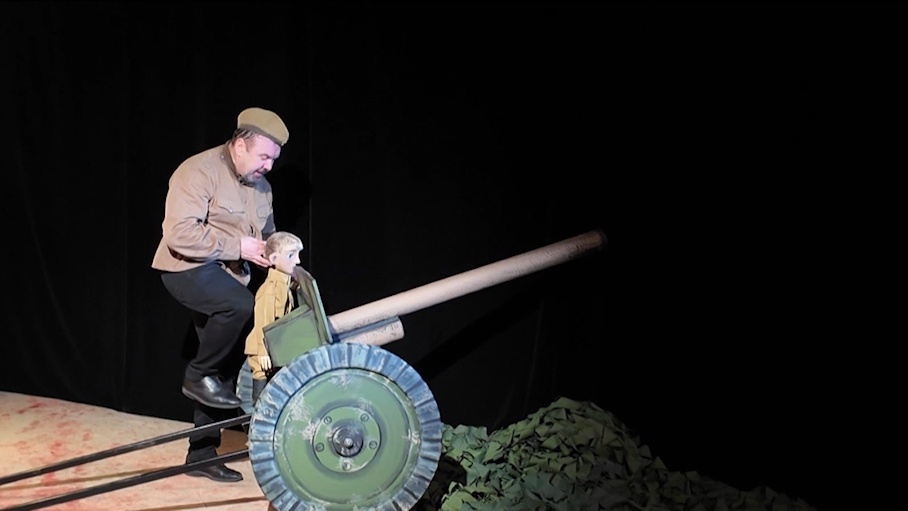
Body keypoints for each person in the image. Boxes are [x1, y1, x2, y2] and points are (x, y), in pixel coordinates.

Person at [151, 107, 290, 483]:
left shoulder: (262, 187)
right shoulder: (198, 171)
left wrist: (280, 254)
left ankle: (201, 455)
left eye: (273, 160)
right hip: (184, 268)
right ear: (240, 145)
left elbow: (267, 235)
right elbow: (179, 234)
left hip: (226, 276)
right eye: (264, 157)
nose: (268, 166)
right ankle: (197, 374)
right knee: (238, 306)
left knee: (224, 364)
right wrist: (238, 247)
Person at [244, 231, 304, 405]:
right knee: (261, 395)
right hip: (262, 350)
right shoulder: (270, 291)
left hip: (276, 345)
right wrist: (263, 353)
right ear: (274, 259)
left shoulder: (284, 284)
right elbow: (263, 323)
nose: (297, 261)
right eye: (291, 255)